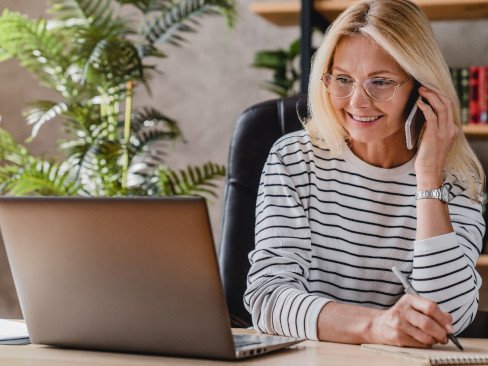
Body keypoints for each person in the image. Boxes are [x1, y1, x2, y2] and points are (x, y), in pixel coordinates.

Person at [244, 0, 486, 348]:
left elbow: (444, 318)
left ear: (422, 90)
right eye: (343, 79)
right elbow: (267, 298)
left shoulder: (458, 179)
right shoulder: (294, 159)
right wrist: (374, 326)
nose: (357, 101)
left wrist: (429, 176)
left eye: (381, 82)